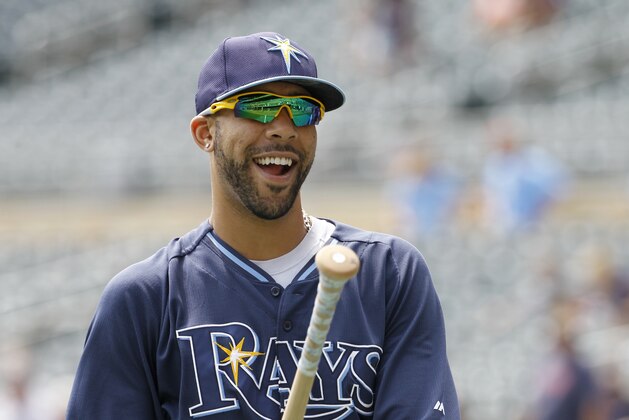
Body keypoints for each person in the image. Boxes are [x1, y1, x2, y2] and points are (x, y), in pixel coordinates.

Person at [66, 32, 459, 419]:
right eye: (259, 106)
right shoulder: (145, 300)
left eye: (304, 110)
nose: (284, 127)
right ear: (206, 134)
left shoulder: (389, 274)